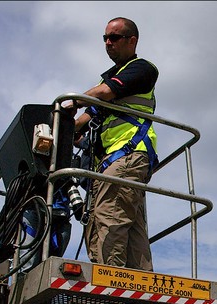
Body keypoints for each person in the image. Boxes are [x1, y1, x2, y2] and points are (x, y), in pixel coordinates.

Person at [66, 17, 158, 271]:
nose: (108, 43)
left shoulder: (141, 70)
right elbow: (83, 120)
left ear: (132, 40)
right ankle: (140, 290)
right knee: (131, 226)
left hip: (127, 156)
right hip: (113, 163)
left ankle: (110, 283)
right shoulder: (109, 81)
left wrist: (70, 103)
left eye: (114, 37)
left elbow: (102, 94)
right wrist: (63, 129)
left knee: (110, 218)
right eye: (105, 38)